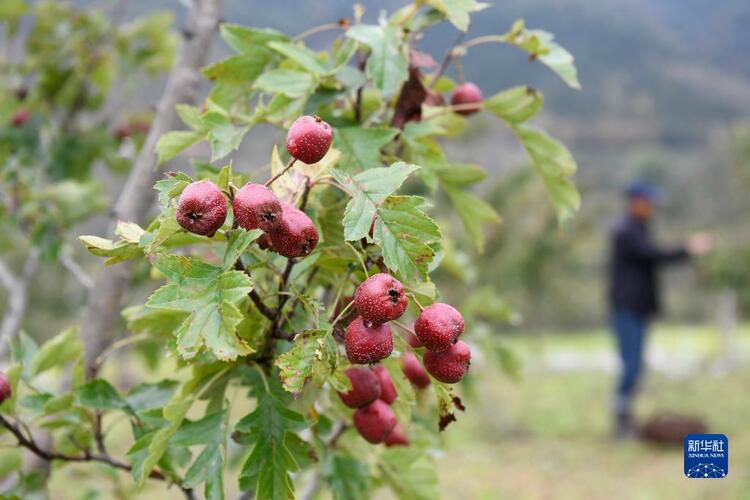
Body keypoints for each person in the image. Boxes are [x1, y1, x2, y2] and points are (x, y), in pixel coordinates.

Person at [607, 181, 713, 438]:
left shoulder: (639, 228)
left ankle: (627, 419)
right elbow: (653, 255)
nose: (652, 207)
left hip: (638, 308)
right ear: (636, 202)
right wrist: (688, 248)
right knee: (632, 365)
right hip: (626, 308)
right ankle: (621, 422)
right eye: (649, 202)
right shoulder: (625, 231)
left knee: (637, 366)